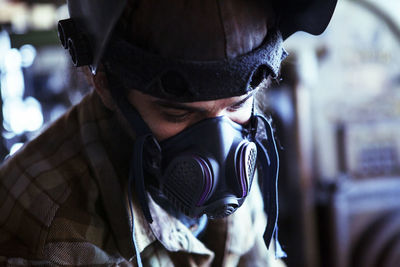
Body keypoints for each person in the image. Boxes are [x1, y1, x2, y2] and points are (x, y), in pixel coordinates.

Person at [0, 0, 337, 266]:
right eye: (178, 112)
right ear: (100, 81)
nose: (219, 148)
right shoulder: (47, 236)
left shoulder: (241, 141)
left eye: (237, 105)